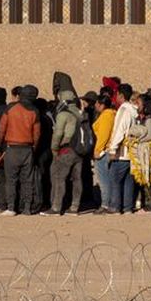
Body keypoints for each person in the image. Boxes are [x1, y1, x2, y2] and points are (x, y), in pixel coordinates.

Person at [0, 85, 41, 215]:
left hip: (12, 148)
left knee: (10, 180)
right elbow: (37, 134)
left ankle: (11, 208)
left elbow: (1, 128)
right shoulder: (35, 111)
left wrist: (0, 144)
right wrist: (34, 148)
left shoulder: (11, 108)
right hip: (27, 149)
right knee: (27, 180)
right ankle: (27, 207)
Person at [49, 86, 85, 215]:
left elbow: (58, 133)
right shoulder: (80, 114)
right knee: (77, 179)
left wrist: (54, 149)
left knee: (59, 178)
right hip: (79, 150)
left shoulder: (63, 114)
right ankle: (75, 207)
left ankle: (56, 207)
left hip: (65, 150)